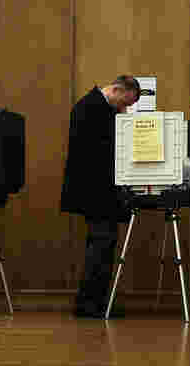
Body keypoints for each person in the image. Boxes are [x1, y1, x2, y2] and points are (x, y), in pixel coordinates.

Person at [61, 75, 141, 318]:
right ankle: (90, 304)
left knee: (102, 247)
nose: (124, 108)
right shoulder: (91, 108)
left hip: (98, 193)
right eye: (124, 102)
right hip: (96, 193)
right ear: (117, 89)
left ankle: (95, 302)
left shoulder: (94, 106)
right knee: (101, 247)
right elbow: (99, 155)